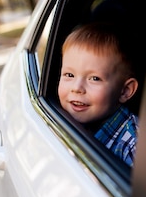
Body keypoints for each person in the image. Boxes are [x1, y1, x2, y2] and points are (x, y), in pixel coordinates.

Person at [58, 22, 139, 166]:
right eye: (69, 75)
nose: (77, 88)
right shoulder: (64, 116)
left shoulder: (133, 147)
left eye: (95, 78)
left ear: (125, 91)